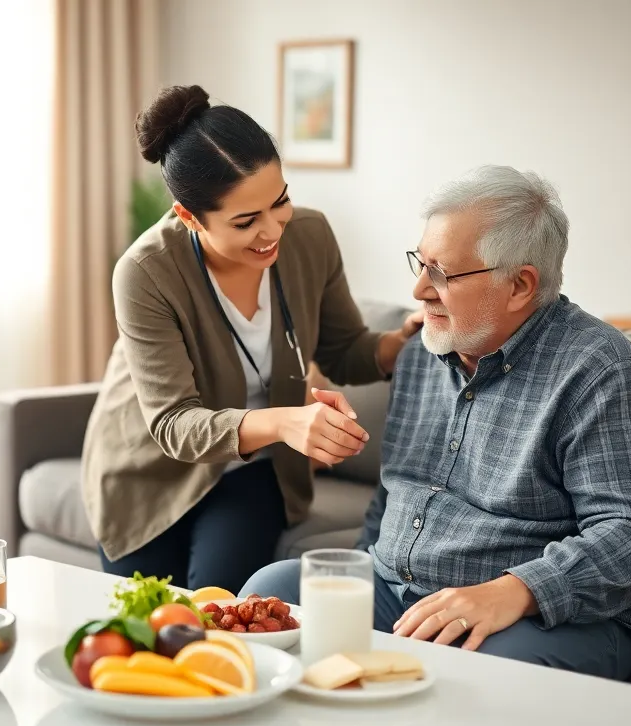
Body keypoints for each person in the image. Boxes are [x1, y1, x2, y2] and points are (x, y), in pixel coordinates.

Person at [241, 165, 631, 680]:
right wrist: (364, 566)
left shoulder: (602, 373)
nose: (418, 290)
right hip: (399, 594)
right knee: (269, 598)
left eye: (441, 273)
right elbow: (396, 496)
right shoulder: (420, 353)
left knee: (479, 682)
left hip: (542, 617)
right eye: (419, 263)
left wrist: (516, 591)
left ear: (519, 285)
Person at [80, 85, 422, 594]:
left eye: (279, 201)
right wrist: (288, 421)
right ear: (189, 218)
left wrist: (399, 344)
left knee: (220, 618)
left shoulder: (310, 236)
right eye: (245, 221)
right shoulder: (145, 272)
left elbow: (343, 347)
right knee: (150, 632)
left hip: (255, 468)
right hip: (148, 473)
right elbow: (174, 423)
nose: (272, 231)